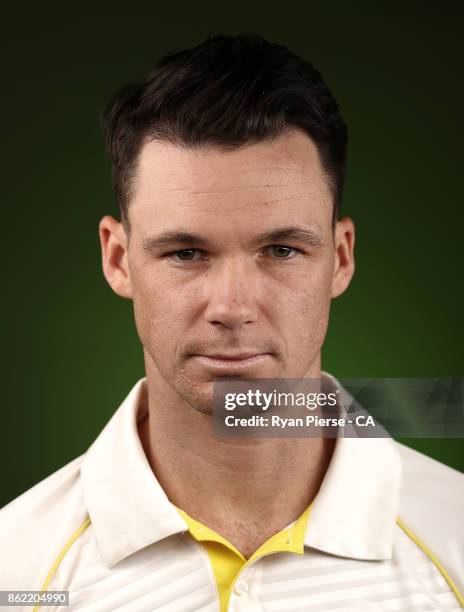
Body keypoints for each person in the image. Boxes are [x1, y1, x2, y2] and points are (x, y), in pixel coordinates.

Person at [1, 33, 463, 612]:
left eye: (282, 250)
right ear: (118, 259)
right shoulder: (15, 571)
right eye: (186, 254)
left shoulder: (455, 540)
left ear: (340, 258)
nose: (232, 306)